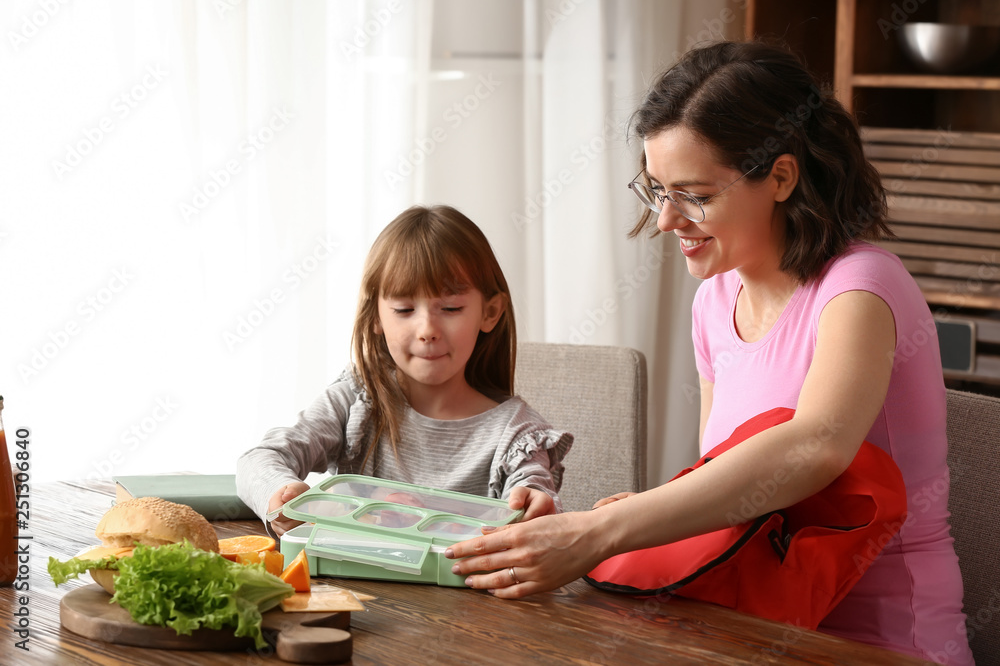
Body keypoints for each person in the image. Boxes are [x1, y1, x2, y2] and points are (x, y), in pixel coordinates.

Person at [446, 41, 973, 665]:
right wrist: (640, 512)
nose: (667, 220)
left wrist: (599, 531)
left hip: (879, 641)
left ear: (780, 176)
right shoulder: (715, 301)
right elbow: (734, 492)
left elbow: (815, 447)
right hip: (749, 626)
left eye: (693, 195)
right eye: (656, 191)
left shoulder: (860, 288)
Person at [237, 204, 573, 538]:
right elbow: (259, 460)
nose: (427, 328)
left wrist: (536, 510)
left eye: (451, 308)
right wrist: (280, 495)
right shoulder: (358, 398)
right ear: (375, 318)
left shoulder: (517, 435)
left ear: (490, 312)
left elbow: (535, 498)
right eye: (404, 309)